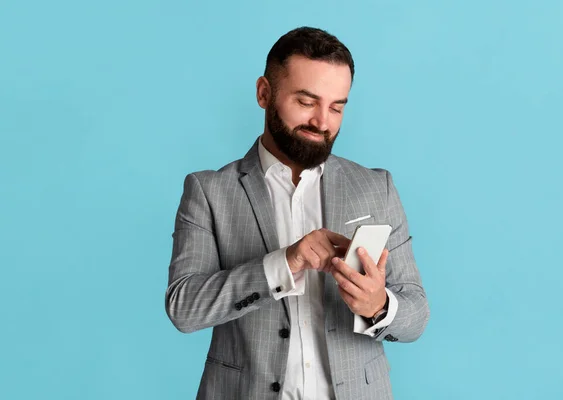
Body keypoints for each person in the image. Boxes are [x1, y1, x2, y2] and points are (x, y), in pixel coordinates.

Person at [165, 26, 430, 400]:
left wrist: (379, 306)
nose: (322, 122)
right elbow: (184, 306)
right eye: (306, 102)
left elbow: (416, 314)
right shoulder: (209, 191)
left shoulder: (376, 187)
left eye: (337, 106)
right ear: (264, 93)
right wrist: (285, 263)